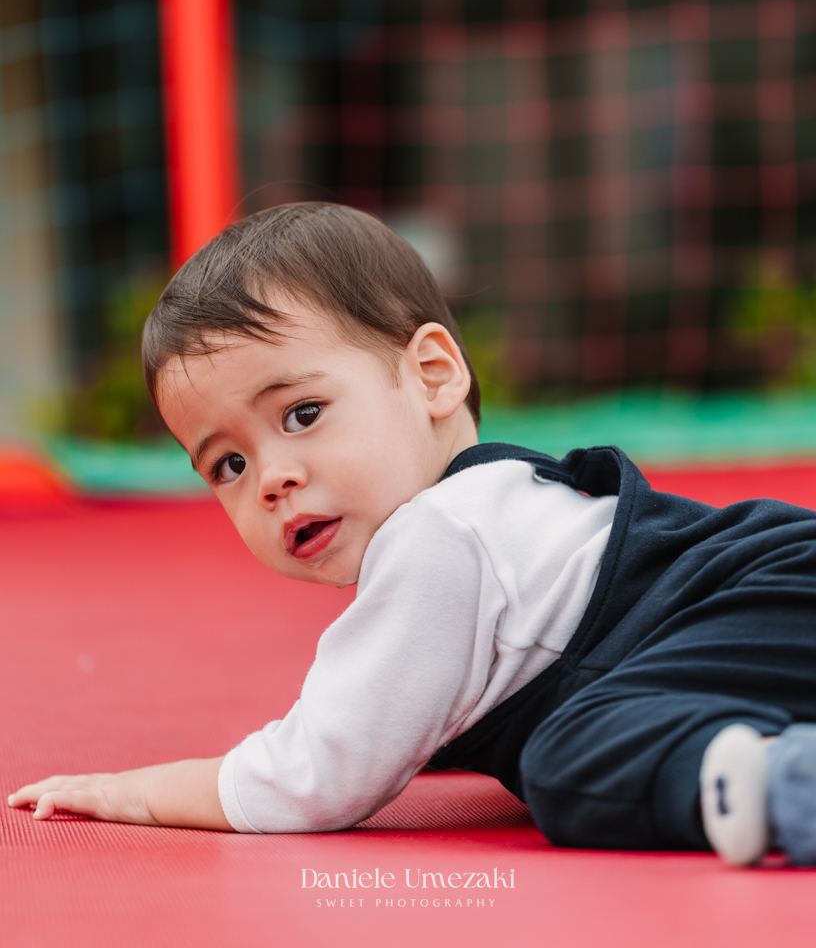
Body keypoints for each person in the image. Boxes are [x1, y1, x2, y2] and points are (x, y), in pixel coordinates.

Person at [9, 202, 816, 868]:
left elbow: (315, 779)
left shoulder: (439, 534)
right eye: (226, 465)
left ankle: (787, 784)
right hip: (765, 597)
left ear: (432, 375)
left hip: (767, 592)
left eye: (302, 414)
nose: (272, 478)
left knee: (573, 761)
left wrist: (133, 793)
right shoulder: (485, 507)